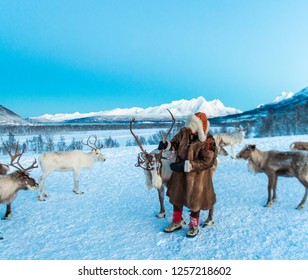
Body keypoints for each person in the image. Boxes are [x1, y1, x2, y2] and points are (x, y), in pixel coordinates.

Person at [158, 112, 217, 237]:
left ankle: (193, 225)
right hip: (180, 174)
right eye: (189, 124)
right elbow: (174, 144)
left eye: (193, 125)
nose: (190, 128)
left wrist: (188, 165)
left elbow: (208, 161)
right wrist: (167, 145)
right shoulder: (184, 132)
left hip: (198, 177)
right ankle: (177, 221)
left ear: (200, 126)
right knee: (176, 198)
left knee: (195, 201)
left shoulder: (208, 140)